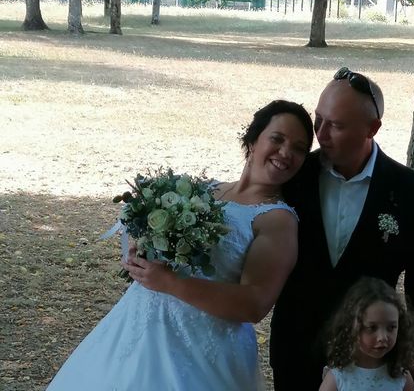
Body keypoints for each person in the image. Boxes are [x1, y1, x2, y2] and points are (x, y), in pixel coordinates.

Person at [46, 100, 314, 391]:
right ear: (252, 140)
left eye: (299, 148)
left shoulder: (277, 220)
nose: (286, 153)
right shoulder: (204, 190)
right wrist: (143, 246)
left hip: (201, 351)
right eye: (277, 139)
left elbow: (254, 304)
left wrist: (170, 283)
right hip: (136, 325)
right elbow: (157, 238)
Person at [270, 68, 414, 391]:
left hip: (371, 363)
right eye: (318, 119)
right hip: (295, 349)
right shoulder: (294, 177)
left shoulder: (409, 190)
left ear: (372, 128)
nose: (320, 134)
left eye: (335, 125)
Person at [319, 277, 414, 391]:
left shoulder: (402, 377)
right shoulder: (338, 378)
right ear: (352, 327)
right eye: (372, 328)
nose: (382, 337)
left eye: (391, 327)